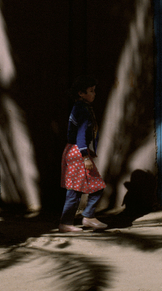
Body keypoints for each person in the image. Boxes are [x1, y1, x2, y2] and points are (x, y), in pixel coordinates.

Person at [58, 75, 108, 233]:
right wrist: (85, 155)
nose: (94, 94)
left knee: (75, 190)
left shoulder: (79, 107)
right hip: (77, 154)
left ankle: (73, 221)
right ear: (81, 93)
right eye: (91, 91)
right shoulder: (83, 110)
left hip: (72, 150)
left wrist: (86, 150)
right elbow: (80, 135)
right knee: (92, 188)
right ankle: (85, 217)